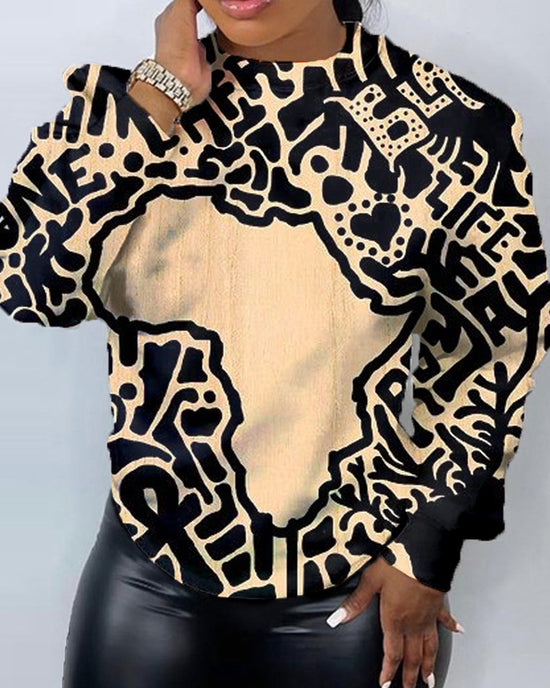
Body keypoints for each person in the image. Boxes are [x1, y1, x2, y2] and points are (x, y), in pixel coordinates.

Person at [1, 0, 549, 687]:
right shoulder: (133, 116)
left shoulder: (457, 128)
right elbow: (31, 286)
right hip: (150, 573)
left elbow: (493, 353)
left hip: (357, 595)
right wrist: (161, 94)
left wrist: (427, 548)